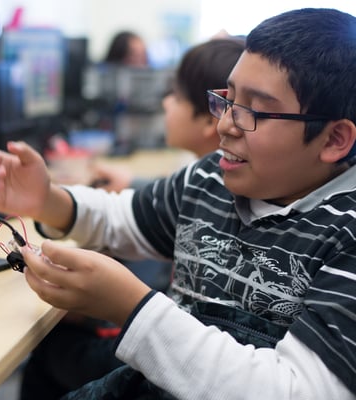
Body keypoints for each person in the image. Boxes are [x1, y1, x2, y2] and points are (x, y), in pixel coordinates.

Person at [0, 7, 356, 400]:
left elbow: (299, 390)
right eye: (227, 99)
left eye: (252, 111)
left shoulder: (346, 233)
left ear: (333, 139)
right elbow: (121, 218)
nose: (225, 124)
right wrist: (47, 198)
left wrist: (132, 308)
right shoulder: (211, 179)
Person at [15, 37, 245, 400]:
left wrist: (120, 306)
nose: (165, 101)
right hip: (175, 346)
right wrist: (47, 199)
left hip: (172, 363)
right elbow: (126, 214)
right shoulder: (203, 180)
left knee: (51, 345)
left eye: (175, 95)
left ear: (207, 119)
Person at [92, 37, 245, 192]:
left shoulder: (206, 201)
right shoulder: (199, 185)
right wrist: (130, 182)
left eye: (177, 97)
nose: (166, 102)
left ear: (210, 120)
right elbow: (174, 192)